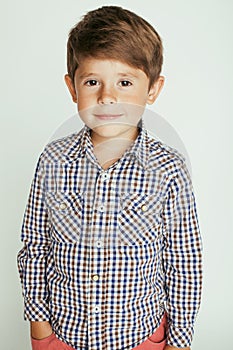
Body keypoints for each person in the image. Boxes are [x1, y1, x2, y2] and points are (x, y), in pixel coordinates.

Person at [17, 5, 202, 350]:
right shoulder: (53, 160)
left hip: (140, 338)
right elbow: (35, 247)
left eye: (125, 82)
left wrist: (179, 341)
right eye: (92, 82)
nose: (107, 96)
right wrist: (41, 331)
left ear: (153, 89)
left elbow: (184, 261)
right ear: (72, 88)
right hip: (64, 338)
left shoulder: (169, 169)